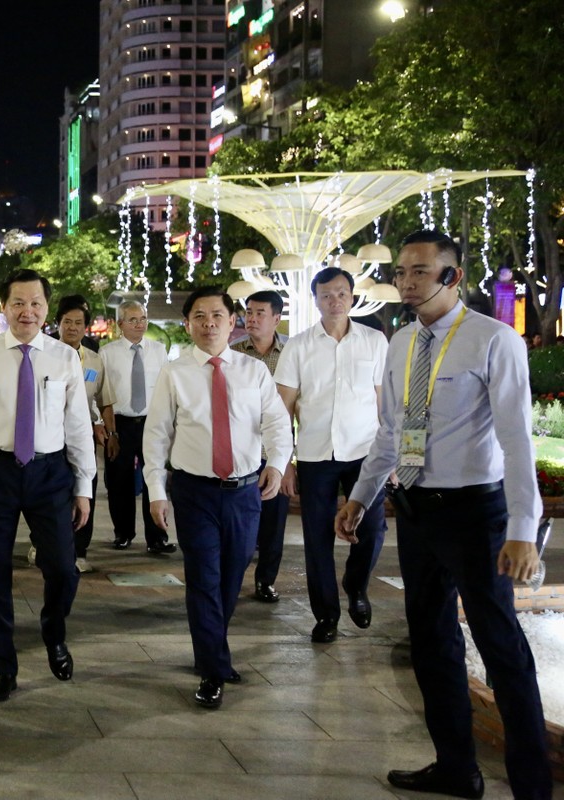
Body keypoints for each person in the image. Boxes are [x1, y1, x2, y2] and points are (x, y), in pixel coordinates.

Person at [336, 230, 552, 800]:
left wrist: (523, 531)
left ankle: (532, 783)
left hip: (476, 514)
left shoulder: (493, 340)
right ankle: (457, 767)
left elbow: (517, 441)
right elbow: (392, 432)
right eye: (402, 272)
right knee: (431, 642)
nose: (406, 282)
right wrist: (361, 494)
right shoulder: (402, 343)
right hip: (417, 511)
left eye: (419, 272)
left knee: (500, 645)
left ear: (452, 276)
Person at [0, 269, 96, 703]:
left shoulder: (64, 358)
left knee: (64, 569)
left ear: (46, 309)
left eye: (35, 304)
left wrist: (84, 485)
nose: (27, 312)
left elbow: (78, 426)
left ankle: (54, 632)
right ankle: (2, 667)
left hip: (50, 474)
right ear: (3, 308)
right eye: (18, 304)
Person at [144, 287, 291, 710]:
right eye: (199, 316)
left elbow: (277, 425)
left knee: (230, 578)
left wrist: (277, 465)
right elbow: (156, 436)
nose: (208, 323)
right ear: (188, 323)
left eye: (217, 315)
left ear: (233, 321)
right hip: (194, 492)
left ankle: (212, 646)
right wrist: (156, 491)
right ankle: (212, 669)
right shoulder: (174, 374)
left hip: (245, 493)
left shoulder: (253, 372)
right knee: (204, 578)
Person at [274, 267, 388, 644]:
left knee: (372, 528)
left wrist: (393, 458)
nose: (334, 300)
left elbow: (385, 404)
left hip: (365, 453)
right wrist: (284, 461)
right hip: (315, 454)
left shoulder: (374, 341)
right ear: (316, 299)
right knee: (317, 537)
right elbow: (283, 408)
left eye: (341, 293)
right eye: (327, 294)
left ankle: (356, 585)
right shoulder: (299, 346)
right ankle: (326, 615)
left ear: (352, 297)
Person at [39, 294, 113, 573]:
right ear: (57, 324)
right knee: (51, 495)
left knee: (85, 489)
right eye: (67, 322)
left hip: (82, 436)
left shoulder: (94, 360)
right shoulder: (44, 355)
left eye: (78, 323)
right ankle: (43, 543)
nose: (72, 327)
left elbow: (104, 400)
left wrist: (111, 433)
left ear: (86, 327)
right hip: (50, 437)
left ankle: (79, 549)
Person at [100, 299, 175, 554]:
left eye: (142, 318)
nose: (139, 324)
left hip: (151, 422)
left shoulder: (158, 350)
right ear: (120, 324)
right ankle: (123, 533)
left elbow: (167, 391)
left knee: (154, 477)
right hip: (120, 422)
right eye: (132, 320)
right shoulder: (107, 353)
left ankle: (157, 538)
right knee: (119, 482)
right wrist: (109, 431)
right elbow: (103, 395)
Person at [230, 290, 289, 604]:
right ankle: (233, 577)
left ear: (277, 318)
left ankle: (265, 580)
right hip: (242, 452)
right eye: (248, 312)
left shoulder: (292, 354)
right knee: (240, 523)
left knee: (273, 524)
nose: (250, 319)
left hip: (275, 453)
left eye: (259, 313)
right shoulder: (233, 353)